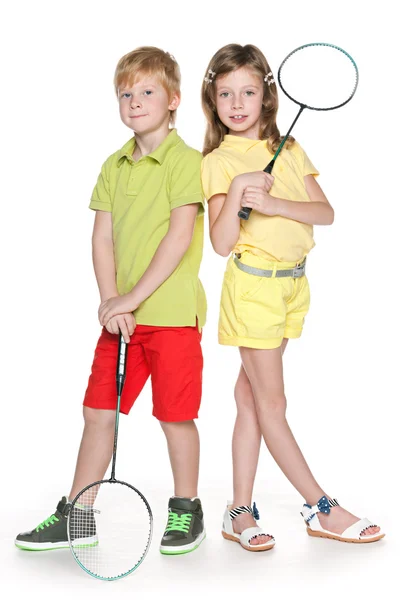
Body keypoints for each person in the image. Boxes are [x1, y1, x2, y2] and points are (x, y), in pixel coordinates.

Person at [15, 46, 207, 556]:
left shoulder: (188, 161)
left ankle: (187, 509)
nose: (135, 100)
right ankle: (79, 515)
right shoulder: (113, 164)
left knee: (174, 416)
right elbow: (102, 239)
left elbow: (179, 237)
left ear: (173, 100)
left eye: (147, 91)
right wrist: (111, 303)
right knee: (97, 412)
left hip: (170, 318)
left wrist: (132, 298)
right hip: (120, 320)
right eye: (126, 93)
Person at [200, 43, 383, 551]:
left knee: (248, 399)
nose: (237, 103)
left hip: (293, 287)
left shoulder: (292, 148)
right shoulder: (218, 162)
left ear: (267, 96)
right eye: (225, 94)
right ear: (212, 101)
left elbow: (326, 214)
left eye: (248, 92)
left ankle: (239, 513)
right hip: (253, 289)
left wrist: (275, 199)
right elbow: (219, 244)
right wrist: (238, 190)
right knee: (272, 402)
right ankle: (320, 507)